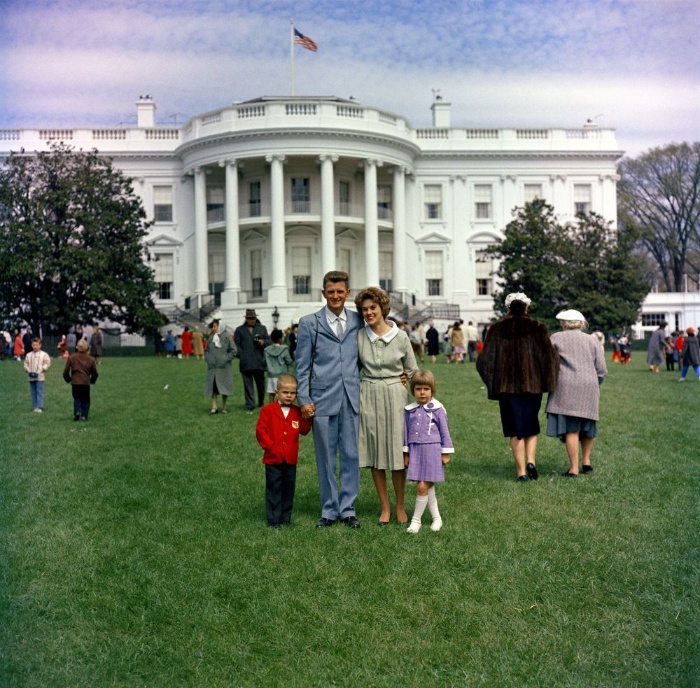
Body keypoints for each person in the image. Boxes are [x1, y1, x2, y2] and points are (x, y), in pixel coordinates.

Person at [296, 270, 363, 528]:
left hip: (351, 398)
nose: (335, 296)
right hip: (321, 400)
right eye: (331, 292)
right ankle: (328, 509)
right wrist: (304, 398)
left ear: (348, 293)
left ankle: (347, 509)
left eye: (340, 291)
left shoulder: (359, 320)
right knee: (325, 457)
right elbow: (302, 365)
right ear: (323, 294)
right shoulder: (309, 323)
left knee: (350, 455)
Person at [476, 293, 559, 481]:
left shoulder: (497, 329)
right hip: (533, 386)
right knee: (531, 423)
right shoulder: (539, 328)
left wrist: (494, 383)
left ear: (508, 308)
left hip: (507, 388)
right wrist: (546, 381)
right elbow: (551, 359)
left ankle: (521, 472)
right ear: (527, 308)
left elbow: (484, 362)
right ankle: (531, 461)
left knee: (514, 428)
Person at [355, 287, 419, 526]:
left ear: (383, 308)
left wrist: (422, 394)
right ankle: (385, 507)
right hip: (369, 393)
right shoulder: (360, 336)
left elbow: (413, 371)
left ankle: (401, 506)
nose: (369, 312)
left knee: (396, 452)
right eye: (364, 309)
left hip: (395, 395)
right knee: (375, 452)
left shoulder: (401, 336)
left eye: (373, 307)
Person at [545, 310, 607, 477]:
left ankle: (574, 468)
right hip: (589, 385)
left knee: (571, 428)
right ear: (581, 323)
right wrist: (595, 383)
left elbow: (547, 362)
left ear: (564, 323)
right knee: (588, 424)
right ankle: (586, 462)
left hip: (566, 385)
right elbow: (601, 370)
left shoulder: (556, 338)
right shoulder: (592, 340)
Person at [255, 374, 313, 528]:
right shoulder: (267, 410)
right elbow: (260, 430)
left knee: (288, 489)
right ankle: (273, 520)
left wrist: (308, 418)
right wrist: (270, 446)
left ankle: (285, 517)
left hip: (290, 459)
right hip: (273, 459)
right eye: (285, 392)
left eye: (293, 393)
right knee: (274, 488)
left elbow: (304, 430)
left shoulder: (296, 411)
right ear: (276, 392)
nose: (289, 396)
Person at [404, 369, 454, 533]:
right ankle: (437, 519)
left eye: (426, 389)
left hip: (433, 450)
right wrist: (406, 453)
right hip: (416, 451)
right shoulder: (409, 410)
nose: (422, 393)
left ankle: (416, 521)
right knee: (427, 487)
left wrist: (445, 452)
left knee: (421, 486)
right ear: (413, 391)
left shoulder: (438, 409)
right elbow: (405, 433)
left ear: (432, 390)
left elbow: (444, 432)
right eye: (418, 389)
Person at [234, 309, 271, 413]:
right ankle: (250, 404)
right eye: (250, 318)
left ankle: (261, 402)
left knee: (261, 384)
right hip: (245, 362)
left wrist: (263, 342)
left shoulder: (262, 328)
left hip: (259, 361)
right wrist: (241, 354)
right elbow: (236, 344)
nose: (252, 320)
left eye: (253, 318)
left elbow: (269, 341)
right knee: (248, 385)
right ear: (246, 319)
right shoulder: (239, 330)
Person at [203, 319, 237, 414]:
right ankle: (214, 406)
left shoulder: (227, 337)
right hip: (213, 368)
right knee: (213, 388)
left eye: (215, 326)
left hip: (224, 368)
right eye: (213, 326)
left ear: (219, 326)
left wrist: (225, 359)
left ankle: (224, 406)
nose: (213, 328)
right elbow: (206, 350)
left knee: (224, 387)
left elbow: (234, 350)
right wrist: (208, 359)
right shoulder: (211, 338)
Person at [63, 339, 98, 421]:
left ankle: (77, 411)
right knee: (85, 399)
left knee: (76, 398)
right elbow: (95, 373)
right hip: (85, 382)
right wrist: (92, 380)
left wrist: (68, 379)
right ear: (87, 348)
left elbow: (65, 372)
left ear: (77, 347)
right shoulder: (90, 359)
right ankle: (84, 416)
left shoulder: (72, 357)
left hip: (75, 382)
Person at [264, 329, 293, 403]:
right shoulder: (284, 349)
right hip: (282, 374)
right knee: (282, 392)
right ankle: (282, 407)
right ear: (280, 339)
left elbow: (263, 361)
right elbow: (289, 361)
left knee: (272, 392)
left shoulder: (267, 350)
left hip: (271, 374)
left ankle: (271, 408)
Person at [24, 337, 52, 413]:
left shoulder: (44, 354)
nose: (35, 346)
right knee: (33, 392)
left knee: (39, 391)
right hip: (31, 376)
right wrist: (29, 371)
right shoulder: (28, 355)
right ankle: (35, 406)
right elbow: (26, 364)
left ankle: (40, 406)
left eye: (36, 345)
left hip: (40, 377)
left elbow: (47, 363)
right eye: (33, 345)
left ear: (40, 345)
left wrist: (42, 369)